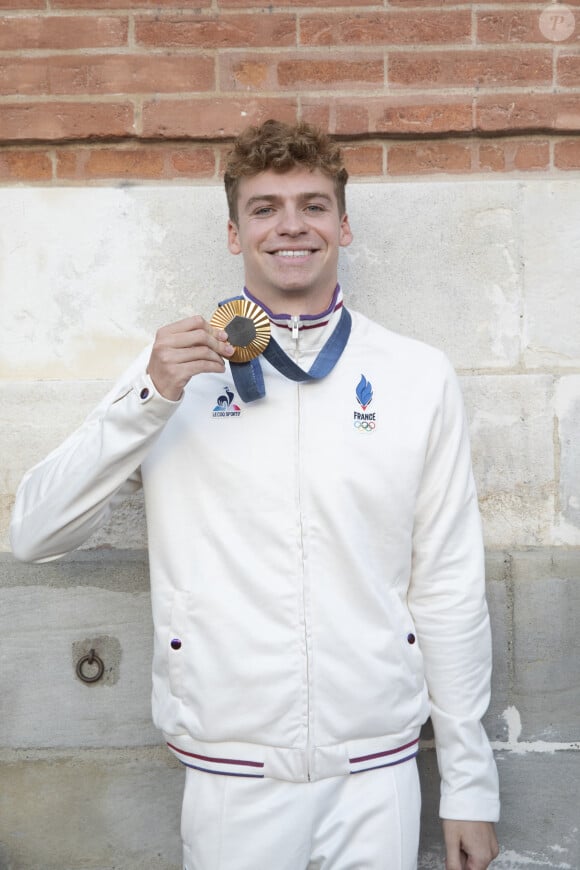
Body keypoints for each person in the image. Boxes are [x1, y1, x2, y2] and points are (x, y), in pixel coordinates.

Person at [11, 119, 500, 870]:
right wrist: (148, 398)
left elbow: (449, 585)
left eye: (311, 204)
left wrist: (469, 785)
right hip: (230, 775)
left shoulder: (416, 373)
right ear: (235, 234)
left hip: (378, 775)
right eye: (266, 208)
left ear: (344, 224)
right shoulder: (173, 370)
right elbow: (35, 532)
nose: (291, 226)